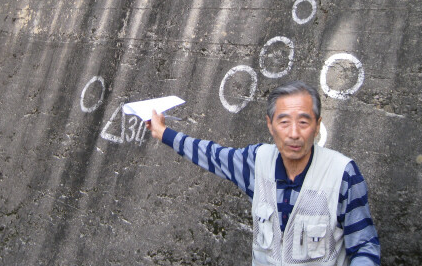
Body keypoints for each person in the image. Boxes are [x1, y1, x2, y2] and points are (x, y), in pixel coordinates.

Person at [147, 80, 380, 266]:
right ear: (270, 125)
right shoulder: (256, 163)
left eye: (304, 122)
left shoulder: (343, 174)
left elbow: (364, 247)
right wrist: (162, 132)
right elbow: (210, 154)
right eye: (284, 122)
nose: (294, 133)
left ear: (317, 126)